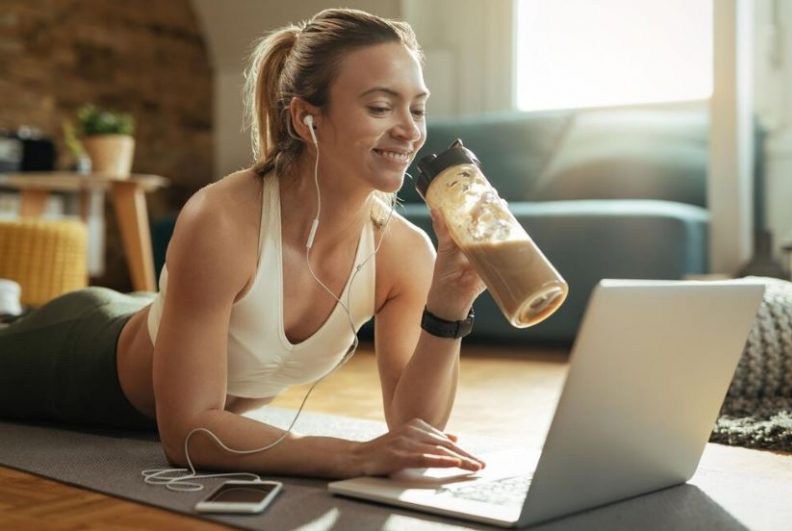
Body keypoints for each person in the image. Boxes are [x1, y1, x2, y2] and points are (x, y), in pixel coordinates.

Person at [0, 8, 487, 479]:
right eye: (381, 107)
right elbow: (186, 433)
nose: (410, 130)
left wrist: (448, 307)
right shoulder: (222, 221)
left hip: (159, 314)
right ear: (306, 120)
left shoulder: (405, 252)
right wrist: (351, 456)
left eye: (417, 107)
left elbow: (414, 429)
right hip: (81, 354)